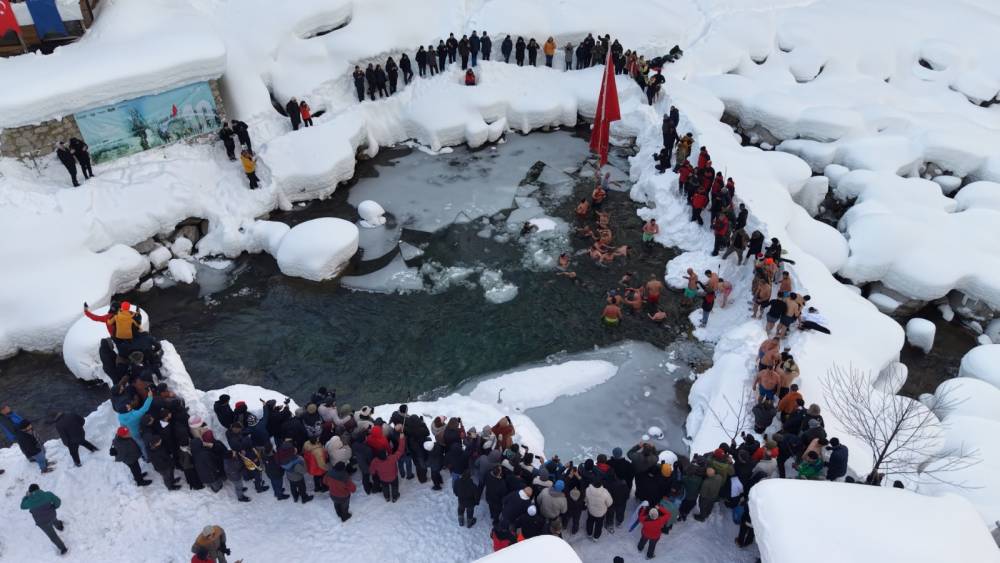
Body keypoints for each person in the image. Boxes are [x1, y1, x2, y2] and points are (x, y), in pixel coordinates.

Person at [21, 484, 68, 555]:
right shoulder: (48, 494)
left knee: (52, 535)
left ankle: (63, 548)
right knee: (54, 519)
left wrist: (26, 497)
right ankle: (60, 526)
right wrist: (54, 507)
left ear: (30, 492)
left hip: (42, 522)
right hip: (52, 515)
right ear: (39, 489)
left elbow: (22, 506)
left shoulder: (29, 501)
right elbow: (58, 502)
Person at [370, 427, 406, 502]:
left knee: (385, 487)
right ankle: (395, 497)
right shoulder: (392, 458)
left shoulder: (375, 461)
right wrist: (402, 439)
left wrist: (374, 474)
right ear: (386, 454)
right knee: (395, 486)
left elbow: (372, 470)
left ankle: (387, 497)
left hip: (383, 478)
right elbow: (400, 450)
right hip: (393, 477)